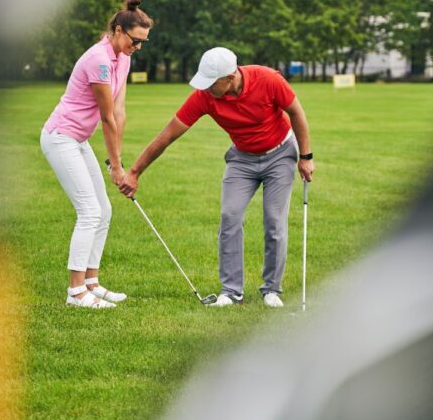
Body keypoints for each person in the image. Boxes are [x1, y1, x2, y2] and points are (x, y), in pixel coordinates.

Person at [119, 47, 314, 307]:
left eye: (212, 83)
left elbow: (296, 112)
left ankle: (271, 290)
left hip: (279, 154)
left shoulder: (268, 79)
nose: (206, 88)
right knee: (229, 216)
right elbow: (168, 135)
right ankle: (232, 291)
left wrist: (306, 156)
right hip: (242, 159)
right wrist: (134, 171)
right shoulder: (205, 97)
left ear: (230, 77)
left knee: (274, 221)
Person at [40, 0, 153, 309]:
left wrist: (116, 160)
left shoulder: (124, 58)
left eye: (143, 42)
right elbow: (105, 118)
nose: (138, 46)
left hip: (79, 141)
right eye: (135, 40)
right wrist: (116, 167)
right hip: (61, 137)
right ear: (118, 30)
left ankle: (91, 283)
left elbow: (119, 112)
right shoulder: (99, 60)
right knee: (89, 212)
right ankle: (75, 293)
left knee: (104, 210)